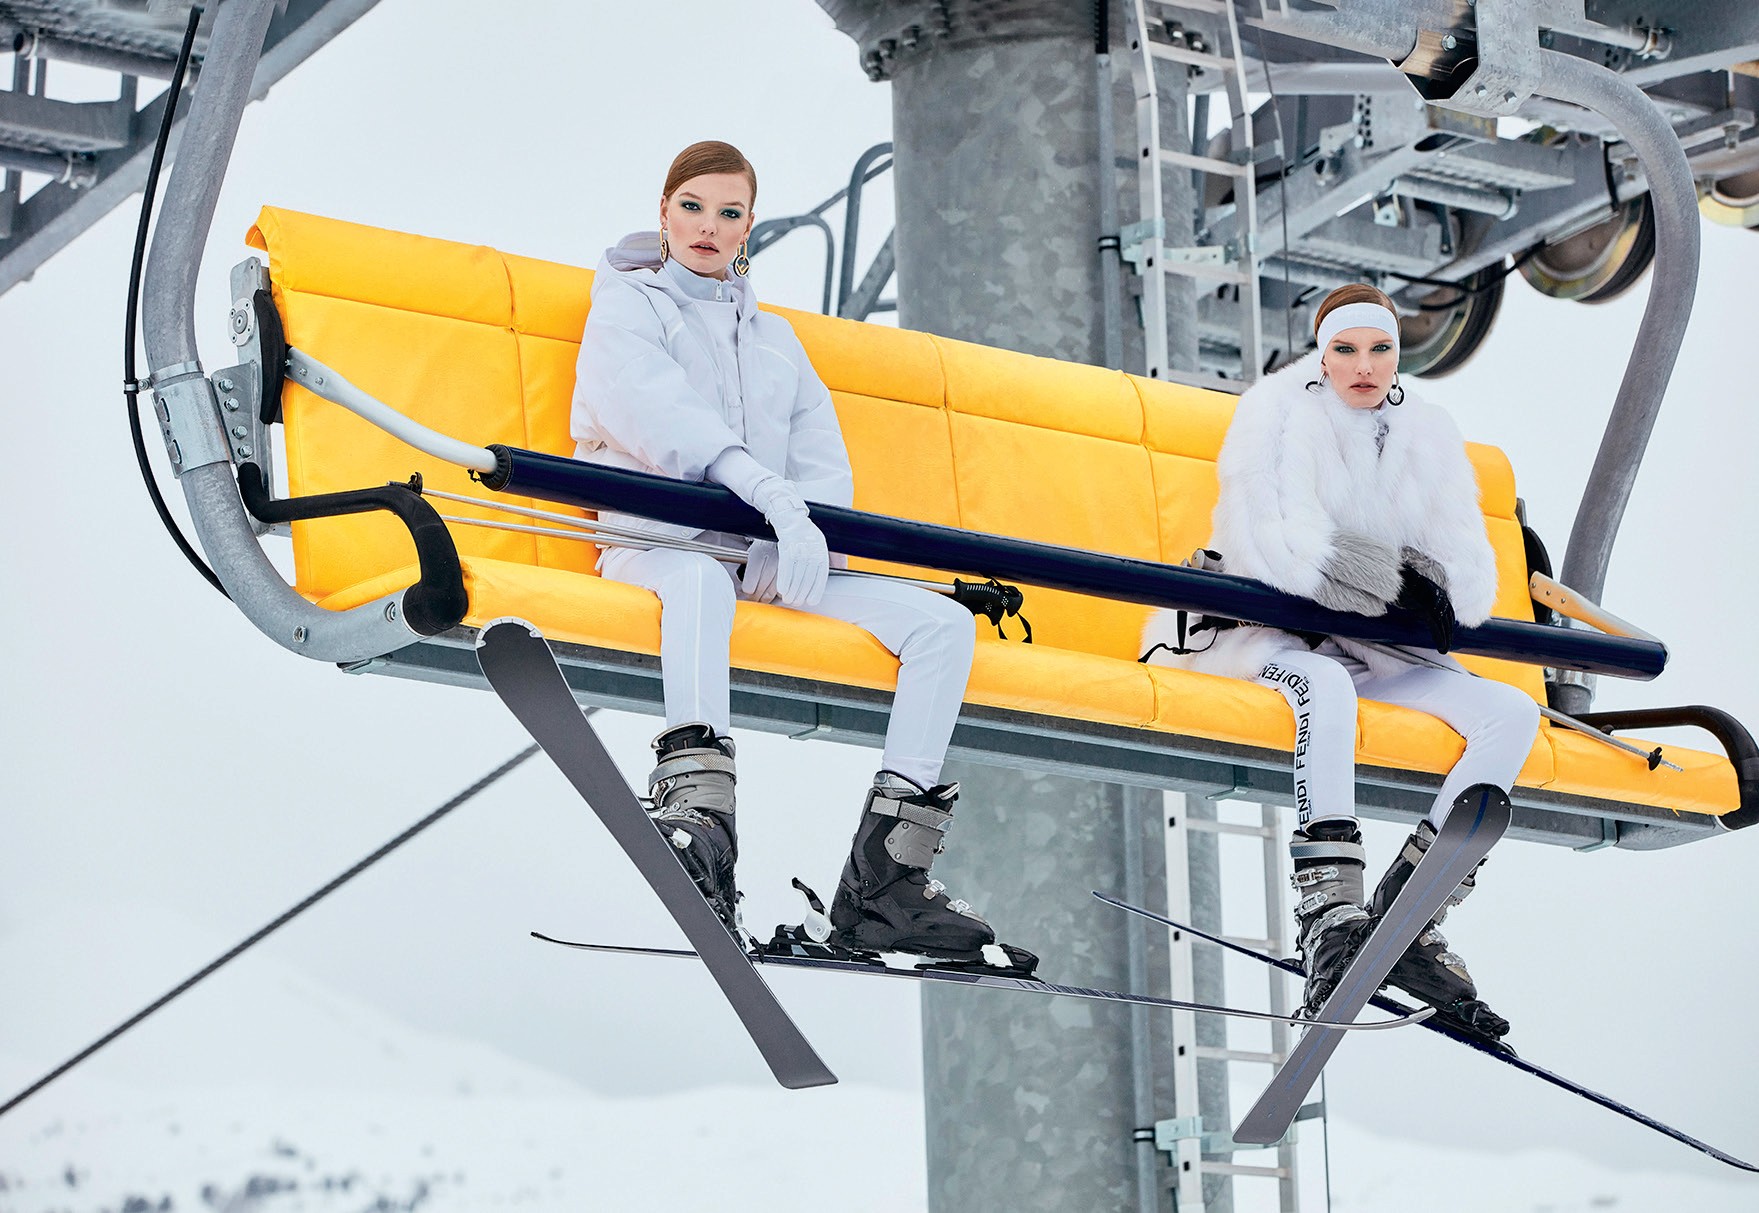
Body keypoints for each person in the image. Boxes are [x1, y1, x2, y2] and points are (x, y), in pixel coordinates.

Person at [569, 140, 1033, 972]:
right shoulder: (626, 308)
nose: (708, 227)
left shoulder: (776, 339)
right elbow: (661, 420)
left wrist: (803, 534)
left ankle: (886, 880)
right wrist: (767, 499)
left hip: (761, 559)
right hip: (659, 543)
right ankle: (700, 820)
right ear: (664, 212)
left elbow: (820, 462)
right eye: (692, 207)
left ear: (748, 227)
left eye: (729, 213)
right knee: (699, 582)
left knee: (940, 626)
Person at [1142, 284, 1538, 1041]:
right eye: (1346, 350)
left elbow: (1467, 581)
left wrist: (1419, 582)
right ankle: (1329, 912)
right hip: (1257, 634)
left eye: (1380, 349)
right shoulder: (1275, 409)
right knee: (1322, 684)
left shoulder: (1427, 432)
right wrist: (1395, 576)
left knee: (1509, 713)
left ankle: (1411, 916)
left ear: (1398, 355)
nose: (1363, 366)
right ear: (1321, 356)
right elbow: (1280, 547)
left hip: (1368, 645)